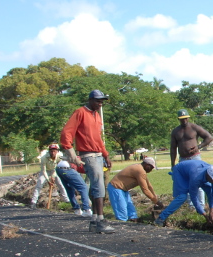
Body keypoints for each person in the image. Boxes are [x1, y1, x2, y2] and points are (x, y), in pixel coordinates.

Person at [60, 89, 114, 234]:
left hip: (98, 155)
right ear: (90, 100)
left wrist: (106, 155)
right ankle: (101, 221)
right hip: (88, 155)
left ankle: (94, 220)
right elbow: (67, 132)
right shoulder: (80, 113)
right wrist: (69, 150)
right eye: (98, 101)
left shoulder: (96, 116)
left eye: (102, 101)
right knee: (99, 186)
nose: (100, 104)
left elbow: (98, 138)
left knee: (97, 185)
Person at [155, 160, 213, 226]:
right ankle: (161, 218)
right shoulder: (196, 178)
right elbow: (193, 197)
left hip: (193, 171)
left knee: (210, 191)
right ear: (208, 175)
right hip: (180, 172)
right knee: (182, 197)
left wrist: (212, 210)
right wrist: (204, 214)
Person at [170, 109, 213, 208]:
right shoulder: (176, 131)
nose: (184, 121)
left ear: (188, 118)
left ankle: (201, 205)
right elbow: (173, 148)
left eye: (185, 118)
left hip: (195, 158)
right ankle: (192, 206)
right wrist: (173, 164)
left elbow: (209, 137)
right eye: (182, 119)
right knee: (187, 182)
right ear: (179, 119)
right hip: (183, 159)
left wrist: (198, 146)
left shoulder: (194, 127)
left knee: (198, 180)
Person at [107, 157, 162, 222]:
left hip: (123, 190)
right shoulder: (140, 170)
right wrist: (156, 201)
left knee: (131, 211)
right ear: (147, 165)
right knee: (122, 212)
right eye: (151, 168)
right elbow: (145, 190)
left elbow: (149, 186)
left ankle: (133, 220)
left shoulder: (141, 169)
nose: (151, 170)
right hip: (116, 188)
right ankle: (122, 227)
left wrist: (154, 196)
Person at [30, 143, 69, 209]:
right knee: (39, 185)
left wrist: (53, 176)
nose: (53, 153)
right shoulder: (44, 158)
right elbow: (43, 170)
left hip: (55, 170)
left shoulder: (60, 156)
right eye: (51, 151)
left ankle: (66, 200)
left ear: (57, 151)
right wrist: (48, 180)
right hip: (46, 171)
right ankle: (33, 202)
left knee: (60, 184)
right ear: (49, 151)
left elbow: (58, 167)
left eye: (54, 151)